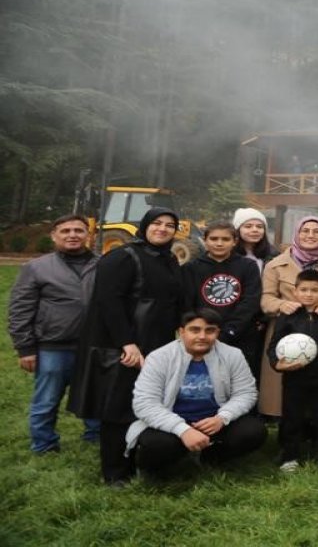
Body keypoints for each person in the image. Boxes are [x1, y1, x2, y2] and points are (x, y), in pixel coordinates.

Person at [69, 207, 183, 486]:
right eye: (157, 223)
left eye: (170, 225)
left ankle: (144, 462)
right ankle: (115, 472)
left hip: (158, 344)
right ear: (144, 226)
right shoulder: (122, 257)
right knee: (118, 408)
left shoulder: (169, 259)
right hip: (125, 345)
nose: (163, 229)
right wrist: (127, 343)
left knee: (150, 404)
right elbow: (108, 302)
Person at [127, 309, 266, 476]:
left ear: (217, 333)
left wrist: (222, 418)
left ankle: (211, 457)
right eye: (195, 330)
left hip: (213, 420)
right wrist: (182, 429)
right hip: (172, 422)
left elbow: (246, 393)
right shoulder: (159, 357)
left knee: (253, 432)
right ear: (181, 332)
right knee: (157, 445)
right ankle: (156, 468)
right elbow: (145, 403)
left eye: (210, 330)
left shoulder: (233, 355)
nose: (202, 336)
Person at [8, 214, 100, 454]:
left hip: (92, 345)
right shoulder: (36, 267)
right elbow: (20, 309)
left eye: (79, 231)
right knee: (47, 399)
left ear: (88, 235)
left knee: (93, 394)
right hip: (53, 346)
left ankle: (96, 436)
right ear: (54, 236)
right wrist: (25, 348)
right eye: (66, 231)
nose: (72, 235)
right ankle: (44, 443)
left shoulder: (102, 265)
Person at [258, 217, 318, 420]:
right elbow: (266, 298)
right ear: (297, 233)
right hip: (287, 331)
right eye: (305, 231)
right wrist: (281, 305)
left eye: (317, 231)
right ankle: (290, 430)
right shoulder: (275, 265)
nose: (311, 235)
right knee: (289, 389)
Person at [269, 268, 318, 471]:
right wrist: (277, 363)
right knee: (292, 417)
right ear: (295, 291)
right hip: (294, 378)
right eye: (303, 290)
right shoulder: (287, 317)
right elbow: (274, 346)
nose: (308, 294)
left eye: (314, 290)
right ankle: (289, 456)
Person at [182, 221, 263, 374]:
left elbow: (250, 301)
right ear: (205, 240)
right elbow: (188, 303)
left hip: (240, 337)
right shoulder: (191, 268)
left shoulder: (248, 266)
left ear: (235, 242)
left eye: (225, 239)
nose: (219, 243)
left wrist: (229, 331)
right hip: (202, 337)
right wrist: (204, 332)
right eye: (214, 239)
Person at [232, 207, 276, 273]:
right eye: (248, 226)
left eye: (259, 226)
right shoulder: (227, 254)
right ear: (237, 230)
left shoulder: (273, 255)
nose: (255, 230)